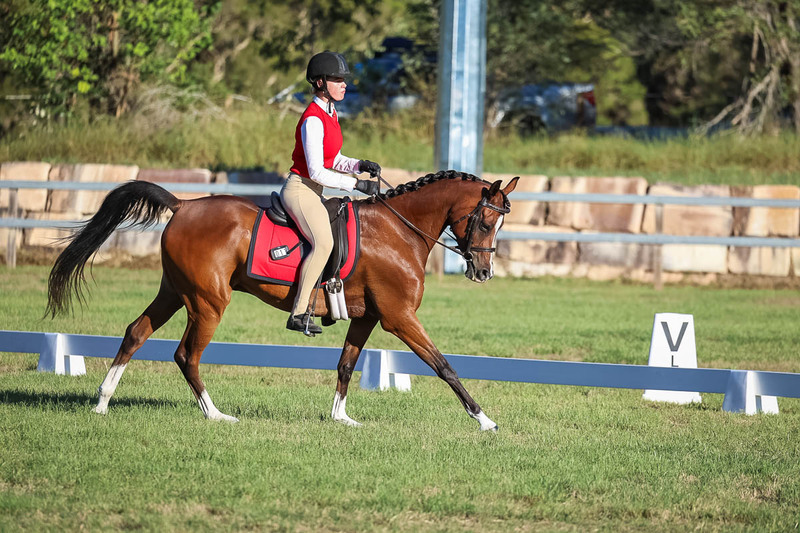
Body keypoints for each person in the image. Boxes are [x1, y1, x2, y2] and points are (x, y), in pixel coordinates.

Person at [283, 51, 380, 335]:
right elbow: (316, 172)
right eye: (338, 79)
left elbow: (333, 158)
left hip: (314, 191)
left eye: (343, 80)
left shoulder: (330, 113)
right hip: (301, 190)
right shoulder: (313, 119)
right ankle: (299, 312)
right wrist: (356, 184)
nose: (344, 84)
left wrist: (358, 165)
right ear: (320, 83)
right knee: (324, 243)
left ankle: (330, 300)